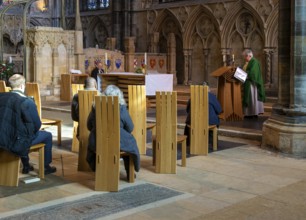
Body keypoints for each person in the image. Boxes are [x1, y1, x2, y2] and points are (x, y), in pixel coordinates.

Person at [0, 74, 56, 175]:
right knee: (47, 135)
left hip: (3, 137)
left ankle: (26, 165)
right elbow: (37, 125)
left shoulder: (1, 97)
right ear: (22, 86)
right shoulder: (26, 102)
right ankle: (46, 167)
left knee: (22, 132)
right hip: (16, 141)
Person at [86, 85, 140, 180]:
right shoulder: (121, 108)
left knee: (96, 142)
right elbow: (130, 127)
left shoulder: (96, 107)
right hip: (118, 142)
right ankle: (129, 173)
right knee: (128, 144)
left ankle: (99, 171)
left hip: (99, 142)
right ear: (119, 96)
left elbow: (89, 125)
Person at [184, 82, 222, 146]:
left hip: (194, 121)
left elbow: (187, 110)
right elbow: (219, 110)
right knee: (212, 120)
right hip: (209, 122)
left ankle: (189, 143)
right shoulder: (212, 97)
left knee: (189, 122)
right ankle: (211, 143)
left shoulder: (193, 96)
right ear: (209, 89)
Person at [242, 49, 266, 118]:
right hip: (248, 82)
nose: (244, 58)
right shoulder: (249, 62)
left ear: (249, 55)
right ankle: (249, 113)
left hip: (252, 84)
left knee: (252, 98)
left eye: (245, 56)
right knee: (250, 98)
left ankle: (253, 113)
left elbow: (253, 73)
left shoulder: (254, 62)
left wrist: (243, 75)